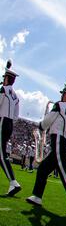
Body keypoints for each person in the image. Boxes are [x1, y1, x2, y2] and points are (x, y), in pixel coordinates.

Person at [26, 73, 66, 215]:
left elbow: (48, 120)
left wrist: (41, 126)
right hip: (62, 142)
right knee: (43, 170)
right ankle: (37, 196)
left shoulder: (59, 105)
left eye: (62, 94)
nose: (61, 96)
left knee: (65, 176)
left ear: (65, 95)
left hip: (58, 141)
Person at [0, 60, 21, 196]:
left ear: (7, 78)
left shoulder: (3, 90)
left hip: (1, 121)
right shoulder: (16, 96)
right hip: (9, 124)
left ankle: (13, 182)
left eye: (4, 78)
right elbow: (16, 116)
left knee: (1, 153)